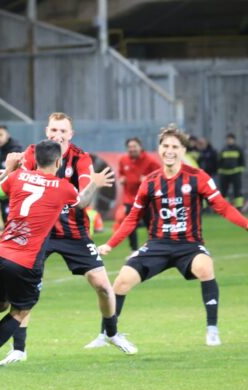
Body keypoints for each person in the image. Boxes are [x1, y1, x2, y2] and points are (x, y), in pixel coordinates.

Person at [0, 141, 128, 368]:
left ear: (35, 160)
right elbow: (82, 203)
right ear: (58, 162)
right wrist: (94, 183)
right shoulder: (62, 187)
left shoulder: (17, 177)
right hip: (26, 261)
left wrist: (9, 170)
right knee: (20, 311)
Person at [98, 125, 248, 347]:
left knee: (206, 268)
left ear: (183, 150)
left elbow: (223, 207)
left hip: (189, 245)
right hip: (157, 245)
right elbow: (132, 218)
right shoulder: (150, 181)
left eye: (175, 147)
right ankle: (104, 335)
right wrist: (110, 244)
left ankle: (212, 330)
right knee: (120, 282)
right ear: (159, 149)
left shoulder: (198, 177)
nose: (170, 150)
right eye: (165, 146)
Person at [19, 113, 118, 351]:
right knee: (26, 290)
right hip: (40, 232)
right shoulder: (33, 153)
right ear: (46, 131)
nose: (58, 136)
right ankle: (17, 350)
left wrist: (93, 183)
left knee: (103, 285)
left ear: (71, 135)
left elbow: (83, 202)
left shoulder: (81, 159)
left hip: (74, 231)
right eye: (54, 130)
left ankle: (112, 334)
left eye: (63, 131)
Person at [118, 137, 161, 251]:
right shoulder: (123, 160)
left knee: (150, 224)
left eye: (134, 146)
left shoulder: (150, 161)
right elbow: (121, 173)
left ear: (140, 147)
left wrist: (148, 179)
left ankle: (155, 247)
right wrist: (121, 178)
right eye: (130, 147)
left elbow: (160, 176)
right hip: (130, 199)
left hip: (146, 199)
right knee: (130, 225)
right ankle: (134, 250)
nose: (132, 149)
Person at [218, 133, 245, 209]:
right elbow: (220, 161)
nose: (229, 141)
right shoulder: (223, 149)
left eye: (230, 139)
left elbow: (242, 161)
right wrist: (220, 170)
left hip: (235, 173)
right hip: (224, 174)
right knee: (224, 191)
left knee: (237, 191)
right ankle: (225, 207)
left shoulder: (238, 149)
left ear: (234, 140)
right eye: (228, 139)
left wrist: (239, 170)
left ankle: (239, 207)